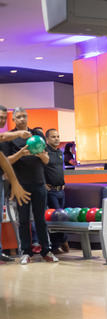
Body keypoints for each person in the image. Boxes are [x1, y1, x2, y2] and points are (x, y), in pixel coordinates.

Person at [1, 108, 57, 263]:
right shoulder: (10, 138)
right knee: (24, 220)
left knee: (41, 219)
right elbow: (7, 161)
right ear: (13, 120)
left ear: (27, 117)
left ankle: (47, 251)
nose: (22, 119)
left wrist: (40, 155)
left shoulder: (37, 135)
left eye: (24, 116)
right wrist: (22, 153)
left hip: (39, 183)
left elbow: (46, 161)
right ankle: (26, 252)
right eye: (18, 117)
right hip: (21, 185)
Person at [0, 105, 32, 261]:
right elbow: (4, 139)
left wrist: (14, 182)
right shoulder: (5, 137)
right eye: (0, 117)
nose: (2, 120)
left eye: (4, 117)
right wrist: (18, 134)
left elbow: (2, 160)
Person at [43, 128, 70, 252]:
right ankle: (57, 244)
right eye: (53, 137)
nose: (57, 139)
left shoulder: (60, 152)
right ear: (47, 139)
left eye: (58, 136)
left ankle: (60, 242)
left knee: (62, 218)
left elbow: (60, 169)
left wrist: (63, 182)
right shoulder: (44, 152)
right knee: (56, 218)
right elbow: (40, 169)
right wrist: (44, 183)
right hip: (51, 191)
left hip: (61, 191)